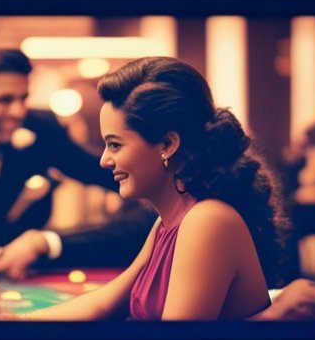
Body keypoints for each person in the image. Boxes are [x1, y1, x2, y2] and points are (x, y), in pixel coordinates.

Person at [21, 57, 288, 321]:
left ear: (168, 144)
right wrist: (11, 326)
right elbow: (103, 304)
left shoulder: (207, 220)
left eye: (115, 145)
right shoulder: (168, 221)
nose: (104, 160)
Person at [0, 48, 119, 247]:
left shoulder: (42, 127)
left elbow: (92, 169)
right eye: (5, 100)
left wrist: (147, 181)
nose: (19, 111)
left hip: (25, 262)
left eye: (24, 98)